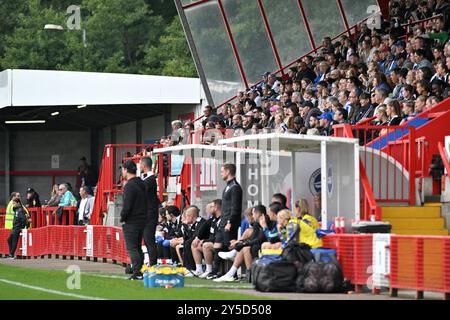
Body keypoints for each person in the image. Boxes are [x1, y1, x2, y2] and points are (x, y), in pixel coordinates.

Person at [215, 205, 268, 283]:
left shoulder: (265, 221)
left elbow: (260, 238)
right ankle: (233, 274)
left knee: (246, 247)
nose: (253, 216)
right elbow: (253, 238)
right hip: (258, 244)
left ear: (258, 214)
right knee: (245, 247)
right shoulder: (257, 223)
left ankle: (248, 276)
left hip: (264, 245)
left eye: (253, 214)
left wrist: (241, 243)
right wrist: (241, 243)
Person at [207, 163, 242, 280]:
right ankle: (216, 271)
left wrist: (229, 222)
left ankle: (234, 275)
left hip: (229, 223)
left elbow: (235, 208)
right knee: (217, 245)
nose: (221, 174)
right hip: (223, 222)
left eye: (222, 171)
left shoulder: (235, 187)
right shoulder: (228, 187)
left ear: (228, 172)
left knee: (230, 247)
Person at [120, 160, 147, 280]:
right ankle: (139, 270)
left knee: (132, 247)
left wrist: (123, 218)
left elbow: (127, 206)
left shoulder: (129, 186)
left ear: (126, 170)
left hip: (132, 221)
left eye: (122, 169)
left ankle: (137, 272)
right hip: (142, 219)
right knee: (137, 246)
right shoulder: (142, 183)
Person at [139, 156, 160, 266]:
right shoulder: (146, 179)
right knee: (147, 240)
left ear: (144, 165)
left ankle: (153, 263)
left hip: (150, 215)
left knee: (149, 239)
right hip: (146, 214)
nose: (139, 166)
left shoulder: (150, 180)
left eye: (140, 164)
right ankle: (151, 263)